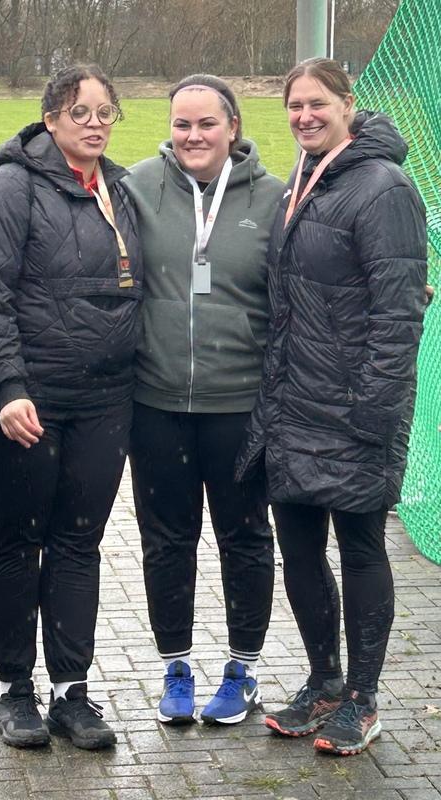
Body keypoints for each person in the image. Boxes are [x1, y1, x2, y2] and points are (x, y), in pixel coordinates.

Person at [0, 64, 142, 750]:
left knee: (78, 541)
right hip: (13, 397)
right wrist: (10, 386)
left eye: (104, 112)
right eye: (79, 112)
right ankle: (14, 692)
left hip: (100, 398)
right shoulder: (8, 190)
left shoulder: (122, 190)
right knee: (17, 538)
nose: (94, 123)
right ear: (50, 118)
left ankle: (71, 693)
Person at [236, 58, 428, 756]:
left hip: (353, 407)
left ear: (348, 104)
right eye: (294, 105)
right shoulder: (307, 178)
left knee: (359, 547)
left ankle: (362, 700)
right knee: (297, 546)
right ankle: (323, 682)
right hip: (293, 403)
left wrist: (373, 408)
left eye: (317, 103)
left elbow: (398, 312)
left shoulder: (383, 187)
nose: (304, 116)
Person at [123, 75, 284, 725]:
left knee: (244, 538)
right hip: (156, 403)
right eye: (181, 124)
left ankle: (242, 670)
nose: (192, 136)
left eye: (206, 123)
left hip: (240, 403)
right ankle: (176, 668)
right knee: (166, 540)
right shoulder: (137, 187)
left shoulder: (274, 198)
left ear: (233, 126)